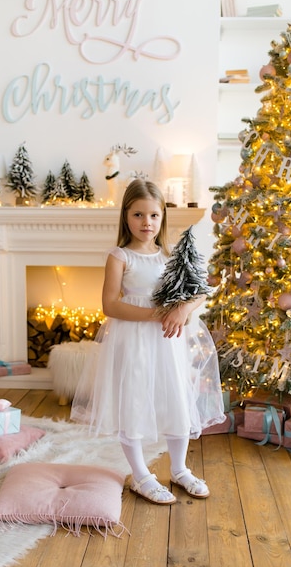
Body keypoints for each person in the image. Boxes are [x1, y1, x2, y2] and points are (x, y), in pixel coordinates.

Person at [70, 179, 225, 505]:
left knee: (176, 400)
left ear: (162, 218)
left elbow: (199, 291)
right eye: (138, 215)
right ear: (126, 216)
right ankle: (141, 475)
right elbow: (110, 305)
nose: (146, 223)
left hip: (169, 343)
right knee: (135, 401)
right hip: (134, 340)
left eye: (153, 216)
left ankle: (180, 469)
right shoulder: (120, 257)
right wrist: (157, 314)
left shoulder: (171, 255)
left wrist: (182, 309)